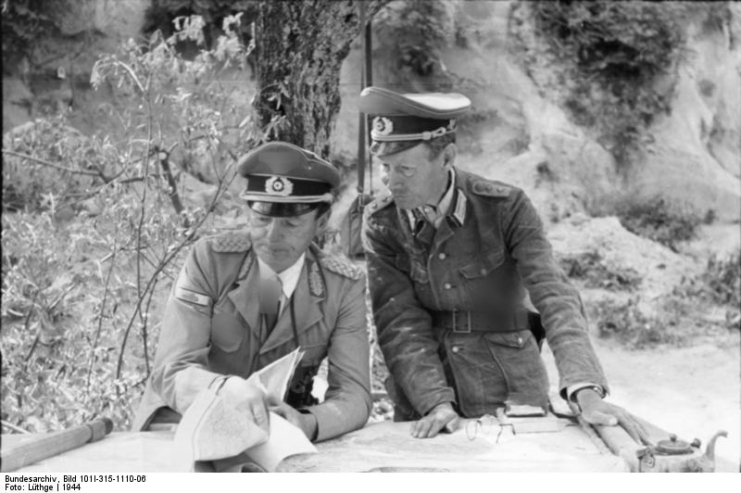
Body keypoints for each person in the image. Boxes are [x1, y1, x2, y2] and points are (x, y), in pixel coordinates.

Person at [359, 86, 649, 443]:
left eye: (405, 168)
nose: (391, 181)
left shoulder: (505, 207)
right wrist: (434, 402)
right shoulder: (382, 222)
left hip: (510, 386)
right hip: (427, 393)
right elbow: (400, 322)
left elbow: (555, 296)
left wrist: (584, 389)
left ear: (446, 157)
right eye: (385, 167)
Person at [133, 141, 372, 443]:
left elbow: (354, 395)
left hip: (271, 438)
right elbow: (171, 371)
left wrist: (307, 423)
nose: (272, 236)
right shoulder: (211, 261)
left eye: (291, 223)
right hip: (183, 426)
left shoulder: (342, 286)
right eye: (262, 219)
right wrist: (223, 388)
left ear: (321, 223)